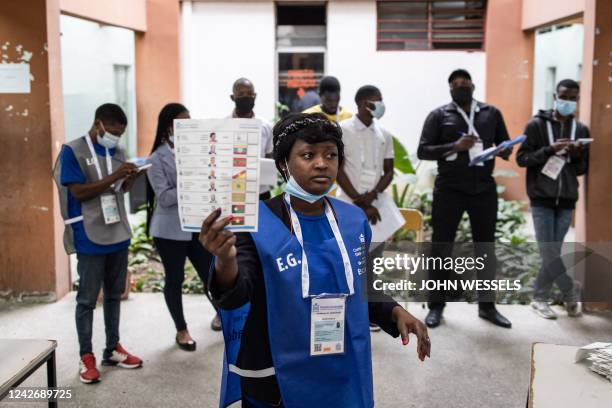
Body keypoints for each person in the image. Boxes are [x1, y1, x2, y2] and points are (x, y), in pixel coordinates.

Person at [201, 113, 430, 408]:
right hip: (276, 371)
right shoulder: (255, 222)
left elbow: (362, 286)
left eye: (331, 155)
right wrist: (225, 260)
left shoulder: (354, 220)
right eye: (307, 155)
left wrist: (396, 312)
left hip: (340, 363)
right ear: (284, 163)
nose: (322, 163)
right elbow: (236, 294)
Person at [53, 103, 143, 384]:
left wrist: (129, 179)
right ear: (99, 124)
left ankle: (112, 348)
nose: (116, 137)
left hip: (117, 231)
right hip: (89, 233)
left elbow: (119, 191)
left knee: (115, 295)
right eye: (113, 131)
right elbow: (78, 192)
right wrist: (116, 175)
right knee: (87, 300)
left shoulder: (117, 151)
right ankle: (86, 356)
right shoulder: (72, 151)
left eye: (120, 133)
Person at [417, 69, 513, 329]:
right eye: (456, 84)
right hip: (449, 189)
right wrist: (453, 147)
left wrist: (505, 149)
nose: (461, 87)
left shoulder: (491, 113)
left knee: (486, 247)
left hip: (483, 188)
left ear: (473, 85)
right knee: (441, 247)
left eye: (465, 83)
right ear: (450, 89)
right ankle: (436, 307)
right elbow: (423, 150)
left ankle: (487, 307)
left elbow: (505, 143)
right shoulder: (439, 115)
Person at [146, 103, 221, 348]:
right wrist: (191, 180)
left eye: (191, 120)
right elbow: (165, 198)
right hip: (169, 230)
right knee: (175, 278)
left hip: (196, 227)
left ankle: (224, 316)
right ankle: (181, 330)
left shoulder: (197, 151)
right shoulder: (156, 158)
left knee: (210, 274)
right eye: (182, 122)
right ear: (169, 126)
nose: (189, 126)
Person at [516, 79, 589, 319]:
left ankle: (540, 297)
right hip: (541, 198)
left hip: (567, 198)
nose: (567, 102)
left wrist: (576, 155)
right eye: (563, 96)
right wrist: (550, 149)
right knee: (548, 251)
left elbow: (581, 169)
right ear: (555, 96)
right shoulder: (536, 125)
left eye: (572, 98)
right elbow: (522, 159)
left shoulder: (580, 130)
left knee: (553, 251)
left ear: (577, 100)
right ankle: (568, 290)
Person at [336, 85, 394, 226]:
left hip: (376, 204)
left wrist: (373, 195)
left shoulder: (384, 134)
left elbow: (389, 171)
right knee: (349, 246)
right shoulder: (342, 130)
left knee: (375, 247)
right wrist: (359, 201)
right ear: (364, 103)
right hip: (347, 202)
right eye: (378, 100)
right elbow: (337, 170)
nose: (381, 105)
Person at [229, 77, 274, 200]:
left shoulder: (266, 126)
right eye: (241, 94)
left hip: (261, 192)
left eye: (249, 94)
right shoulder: (224, 126)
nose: (246, 97)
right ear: (233, 98)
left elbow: (269, 157)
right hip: (233, 190)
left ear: (255, 96)